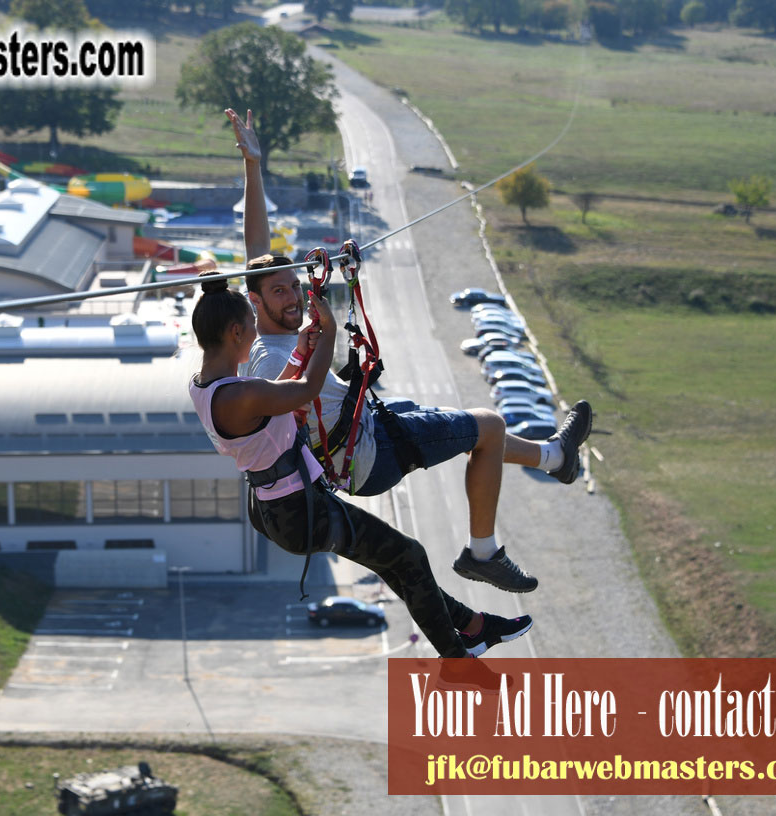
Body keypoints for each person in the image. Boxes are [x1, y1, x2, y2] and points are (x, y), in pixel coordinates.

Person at [225, 107, 593, 596]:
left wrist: (253, 166)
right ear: (256, 302)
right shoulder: (270, 359)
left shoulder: (269, 324)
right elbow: (292, 398)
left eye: (294, 287)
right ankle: (482, 554)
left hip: (367, 431)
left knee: (465, 428)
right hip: (367, 454)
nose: (293, 298)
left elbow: (257, 251)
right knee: (490, 425)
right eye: (280, 292)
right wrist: (326, 333)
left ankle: (554, 457)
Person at [187, 270, 532, 659]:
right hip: (297, 512)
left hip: (280, 505)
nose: (256, 334)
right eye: (252, 327)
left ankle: (473, 626)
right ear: (235, 332)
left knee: (395, 560)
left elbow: (273, 393)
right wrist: (330, 330)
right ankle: (457, 660)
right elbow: (304, 390)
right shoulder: (238, 395)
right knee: (409, 555)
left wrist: (300, 349)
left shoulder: (205, 386)